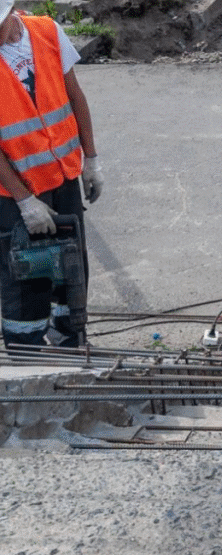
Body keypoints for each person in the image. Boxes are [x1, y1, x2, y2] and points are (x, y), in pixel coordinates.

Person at [0, 0, 104, 348]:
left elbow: (74, 95)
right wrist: (24, 200)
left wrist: (90, 160)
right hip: (14, 194)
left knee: (72, 270)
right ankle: (27, 356)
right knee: (27, 278)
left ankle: (70, 340)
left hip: (62, 179)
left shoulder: (46, 31)